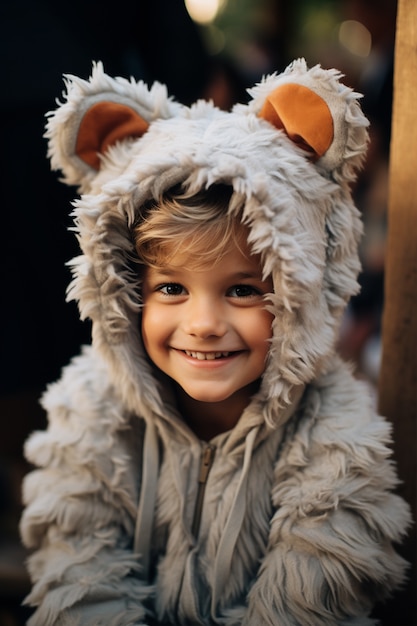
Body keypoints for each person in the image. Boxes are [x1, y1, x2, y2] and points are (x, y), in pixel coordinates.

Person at [20, 59, 411, 626]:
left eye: (244, 290)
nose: (203, 323)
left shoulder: (336, 440)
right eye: (172, 287)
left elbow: (311, 603)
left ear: (300, 290)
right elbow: (78, 572)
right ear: (124, 293)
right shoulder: (89, 416)